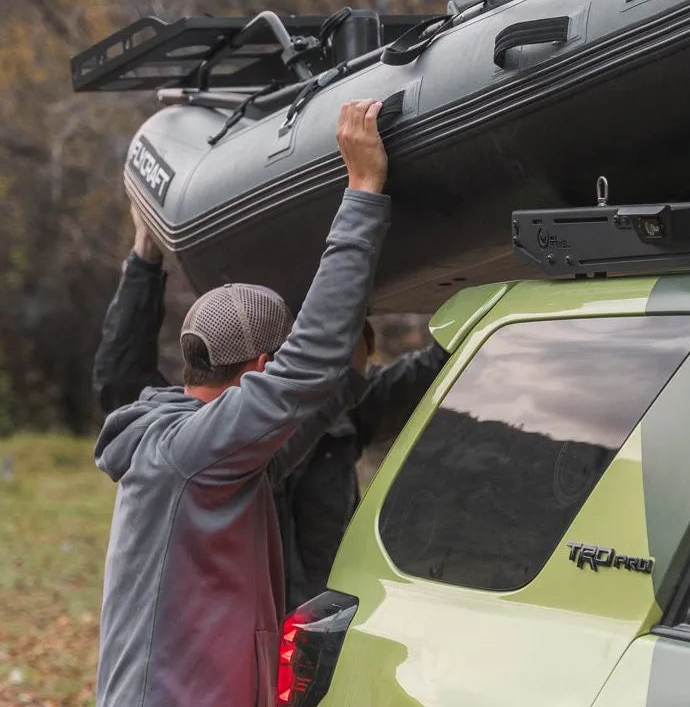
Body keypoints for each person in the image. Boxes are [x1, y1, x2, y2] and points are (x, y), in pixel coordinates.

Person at [95, 99, 392, 707]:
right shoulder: (192, 453)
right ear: (260, 368)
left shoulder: (212, 461)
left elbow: (301, 421)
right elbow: (308, 365)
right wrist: (362, 190)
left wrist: (349, 375)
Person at [94, 208, 447, 611]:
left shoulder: (342, 409)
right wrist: (144, 259)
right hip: (248, 624)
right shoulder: (202, 442)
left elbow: (425, 376)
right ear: (266, 364)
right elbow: (121, 384)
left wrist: (475, 320)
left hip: (319, 623)